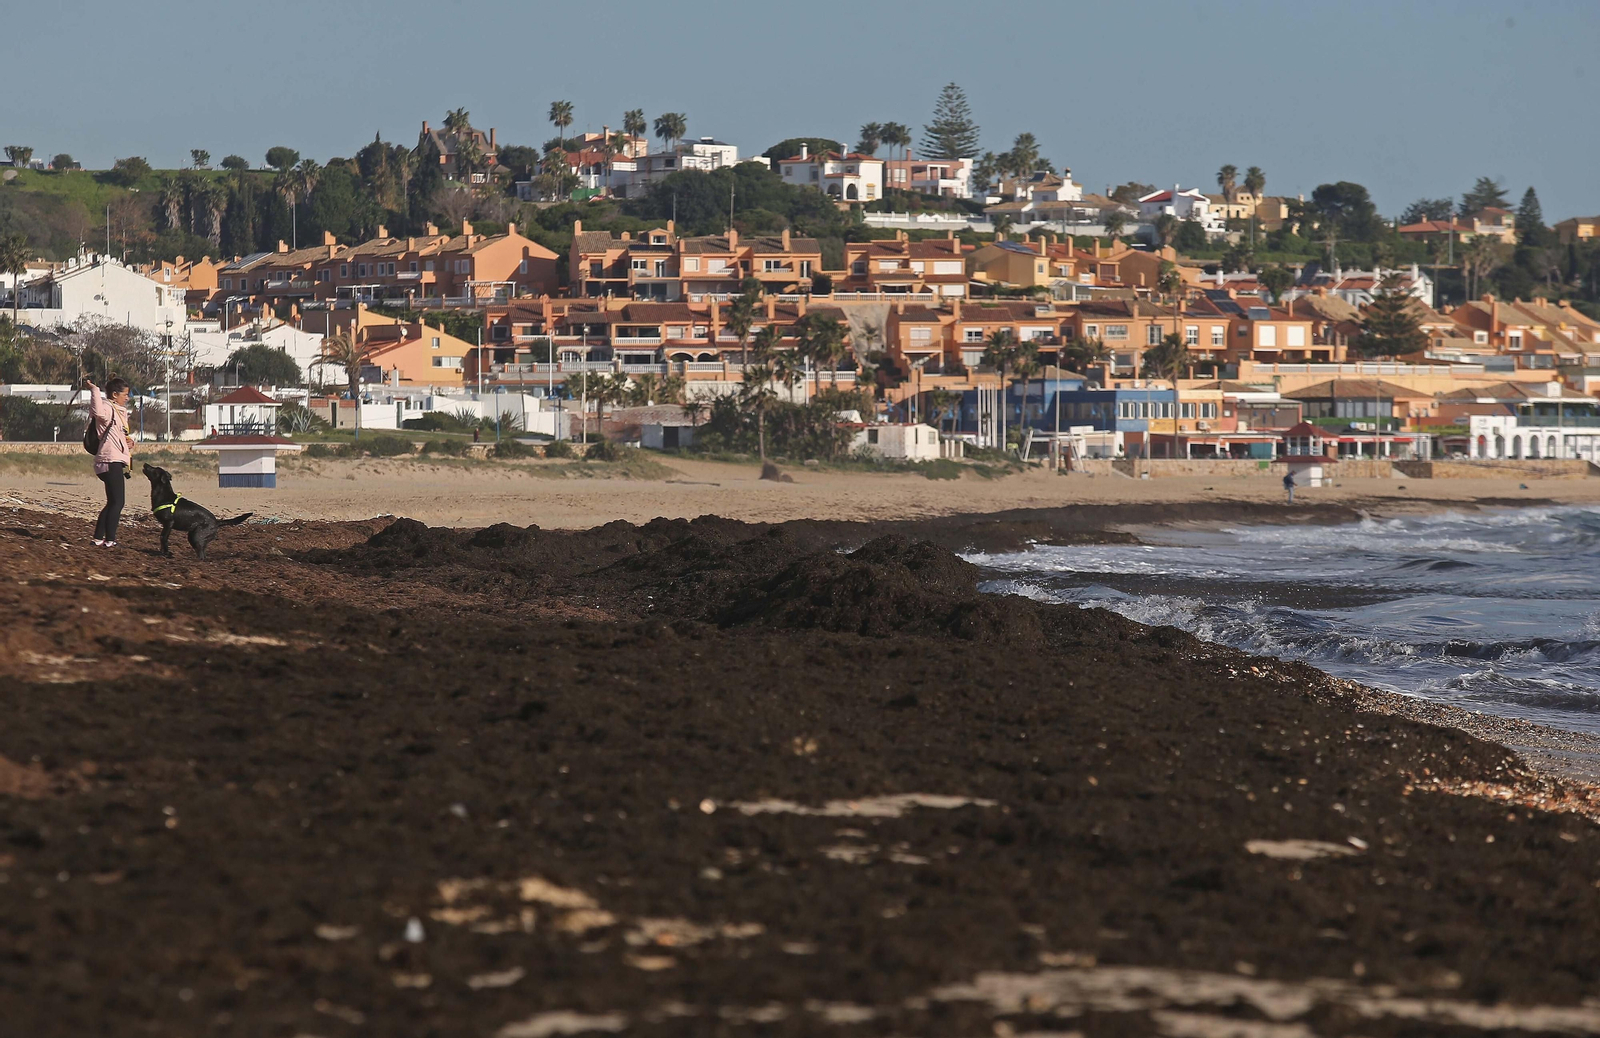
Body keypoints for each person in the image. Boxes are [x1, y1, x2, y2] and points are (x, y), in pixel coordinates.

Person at [86, 375, 133, 547]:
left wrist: (130, 442)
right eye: (125, 394)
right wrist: (95, 390)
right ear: (114, 395)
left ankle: (98, 538)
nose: (127, 398)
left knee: (113, 502)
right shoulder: (107, 407)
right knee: (118, 502)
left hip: (114, 459)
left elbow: (120, 437)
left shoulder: (121, 413)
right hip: (109, 460)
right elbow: (97, 412)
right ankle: (110, 540)